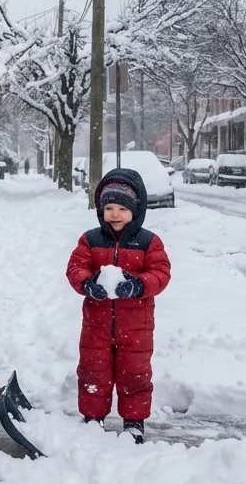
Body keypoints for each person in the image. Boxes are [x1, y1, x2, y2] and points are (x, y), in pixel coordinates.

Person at [66, 168, 172, 443]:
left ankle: (134, 422)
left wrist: (137, 285)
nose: (115, 214)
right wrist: (88, 284)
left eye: (122, 208)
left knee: (134, 374)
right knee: (93, 373)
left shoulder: (149, 242)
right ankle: (92, 419)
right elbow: (75, 268)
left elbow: (160, 274)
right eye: (109, 207)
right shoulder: (90, 239)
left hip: (136, 328)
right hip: (96, 326)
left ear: (135, 210)